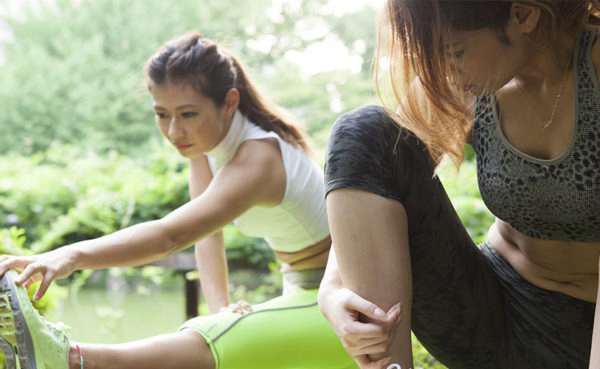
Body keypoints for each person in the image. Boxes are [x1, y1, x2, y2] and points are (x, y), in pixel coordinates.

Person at [0, 32, 358, 369]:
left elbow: (171, 236)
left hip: (347, 300)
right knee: (218, 326)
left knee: (208, 341)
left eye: (187, 114)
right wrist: (223, 308)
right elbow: (207, 234)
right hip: (299, 291)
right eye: (161, 114)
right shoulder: (206, 146)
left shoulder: (258, 159)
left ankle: (69, 358)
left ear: (229, 102)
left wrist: (69, 255)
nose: (174, 131)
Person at [317, 1, 600, 369]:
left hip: (583, 330)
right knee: (366, 131)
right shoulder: (469, 80)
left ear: (523, 14)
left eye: (455, 52)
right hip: (489, 311)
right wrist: (332, 287)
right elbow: (378, 163)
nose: (442, 71)